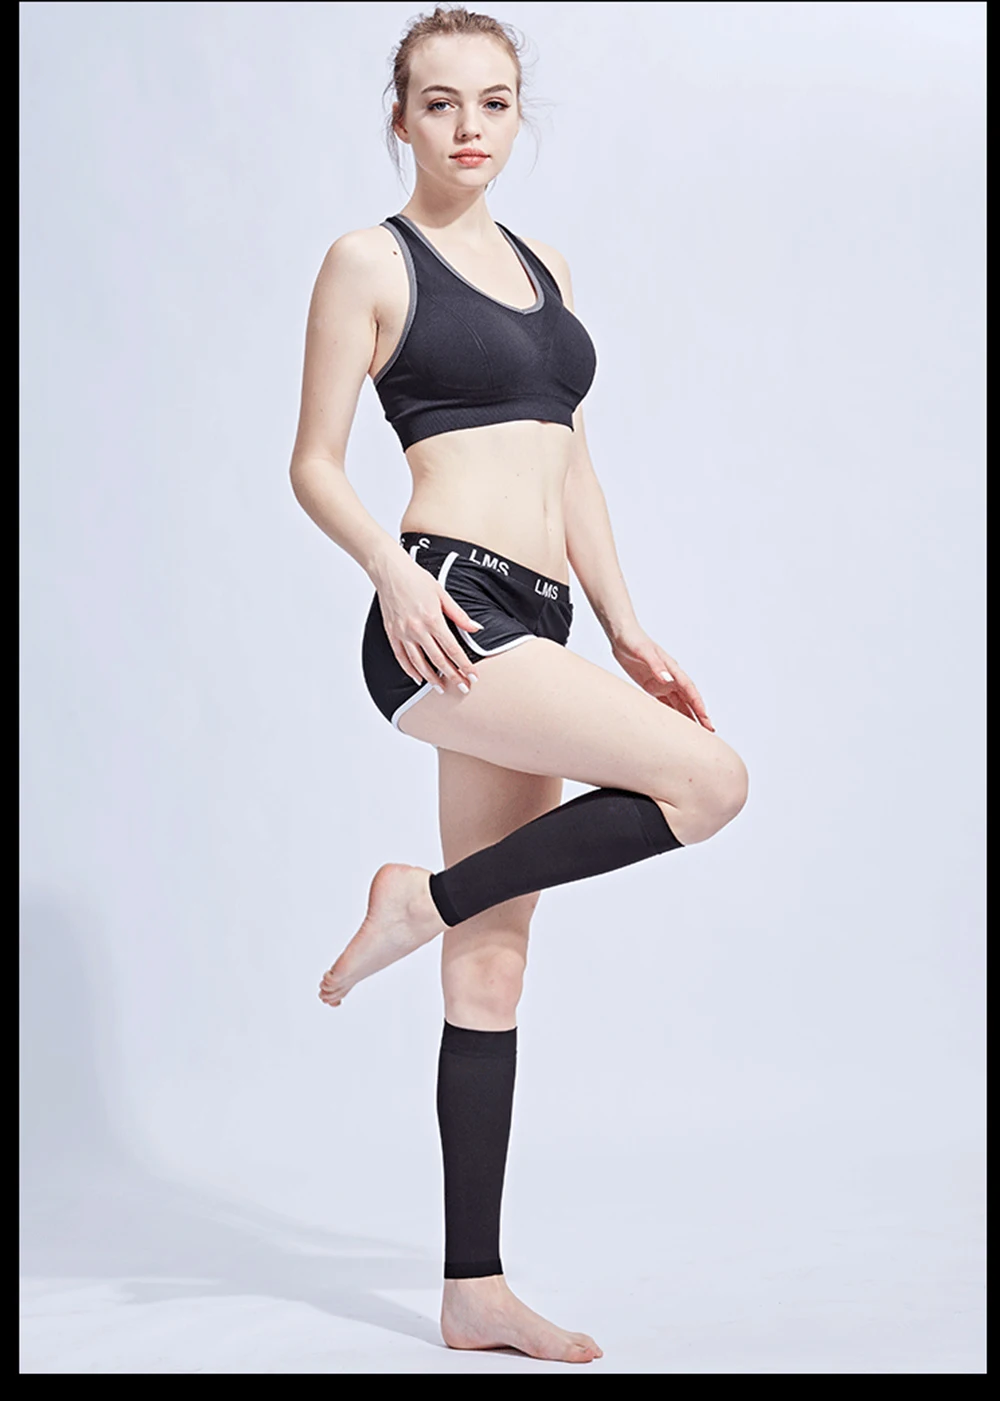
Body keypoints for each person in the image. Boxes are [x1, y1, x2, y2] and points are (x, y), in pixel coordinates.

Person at [289, 4, 748, 1365]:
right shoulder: (369, 260)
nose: (469, 126)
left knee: (493, 962)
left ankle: (472, 1289)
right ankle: (414, 902)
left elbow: (570, 460)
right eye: (439, 103)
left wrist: (625, 626)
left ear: (515, 114)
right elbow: (313, 461)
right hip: (443, 608)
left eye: (492, 101)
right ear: (400, 118)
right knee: (711, 785)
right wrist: (391, 570)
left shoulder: (545, 266)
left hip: (537, 616)